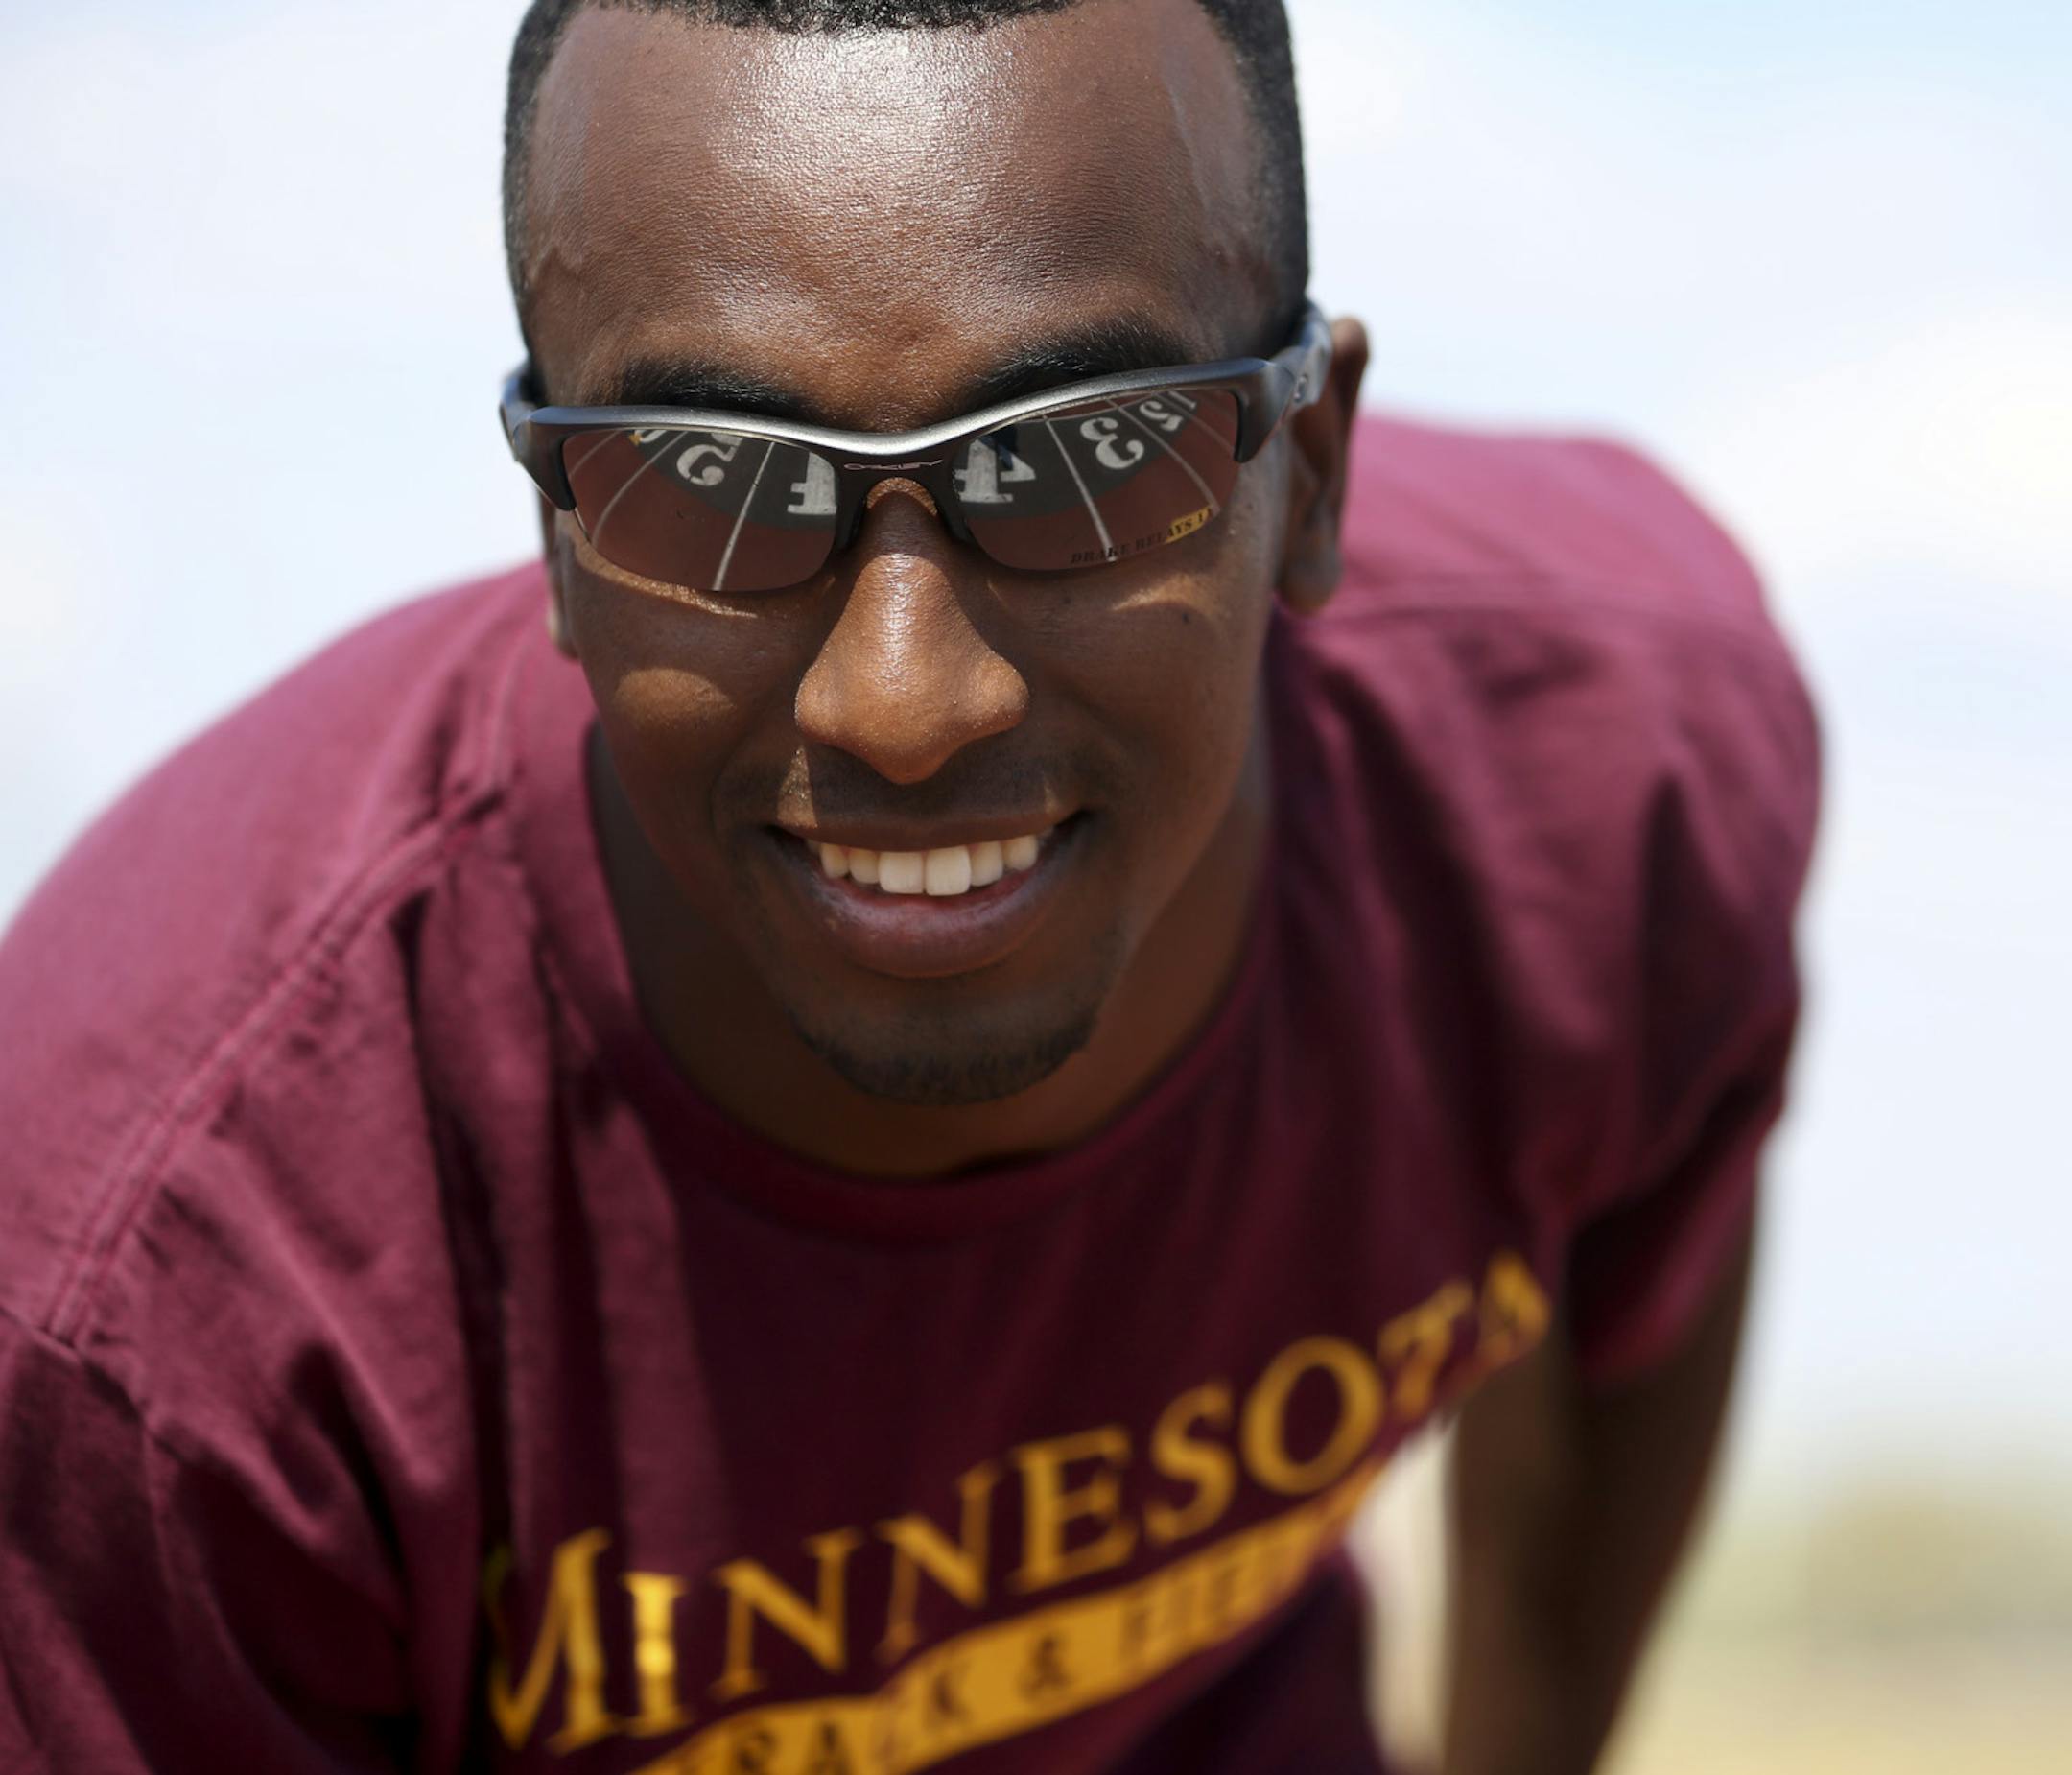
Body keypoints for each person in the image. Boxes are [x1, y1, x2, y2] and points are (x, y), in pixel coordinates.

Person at [0, 1, 1821, 1770]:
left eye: (1084, 454)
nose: (904, 700)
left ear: (1312, 473)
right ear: (558, 535)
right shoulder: (157, 1297)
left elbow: (1652, 1245)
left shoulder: (1594, 781)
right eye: (708, 479)